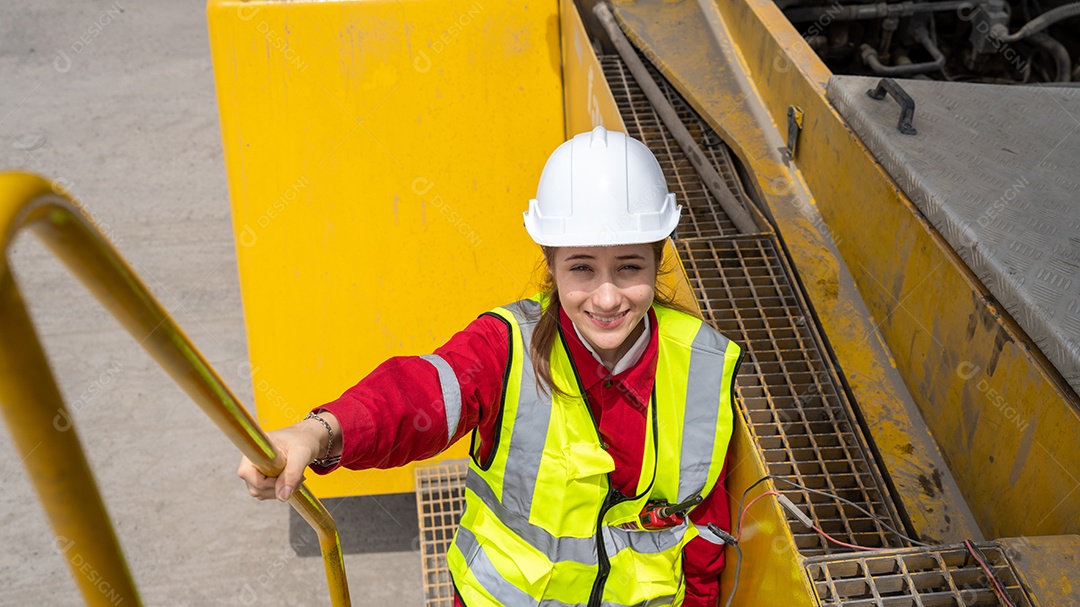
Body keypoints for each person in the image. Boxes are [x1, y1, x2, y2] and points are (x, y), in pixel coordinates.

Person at [238, 126, 742, 607]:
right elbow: (419, 395)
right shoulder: (505, 349)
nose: (607, 297)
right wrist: (318, 433)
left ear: (658, 261)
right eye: (582, 267)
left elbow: (702, 525)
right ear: (551, 264)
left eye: (629, 266)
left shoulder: (701, 364)